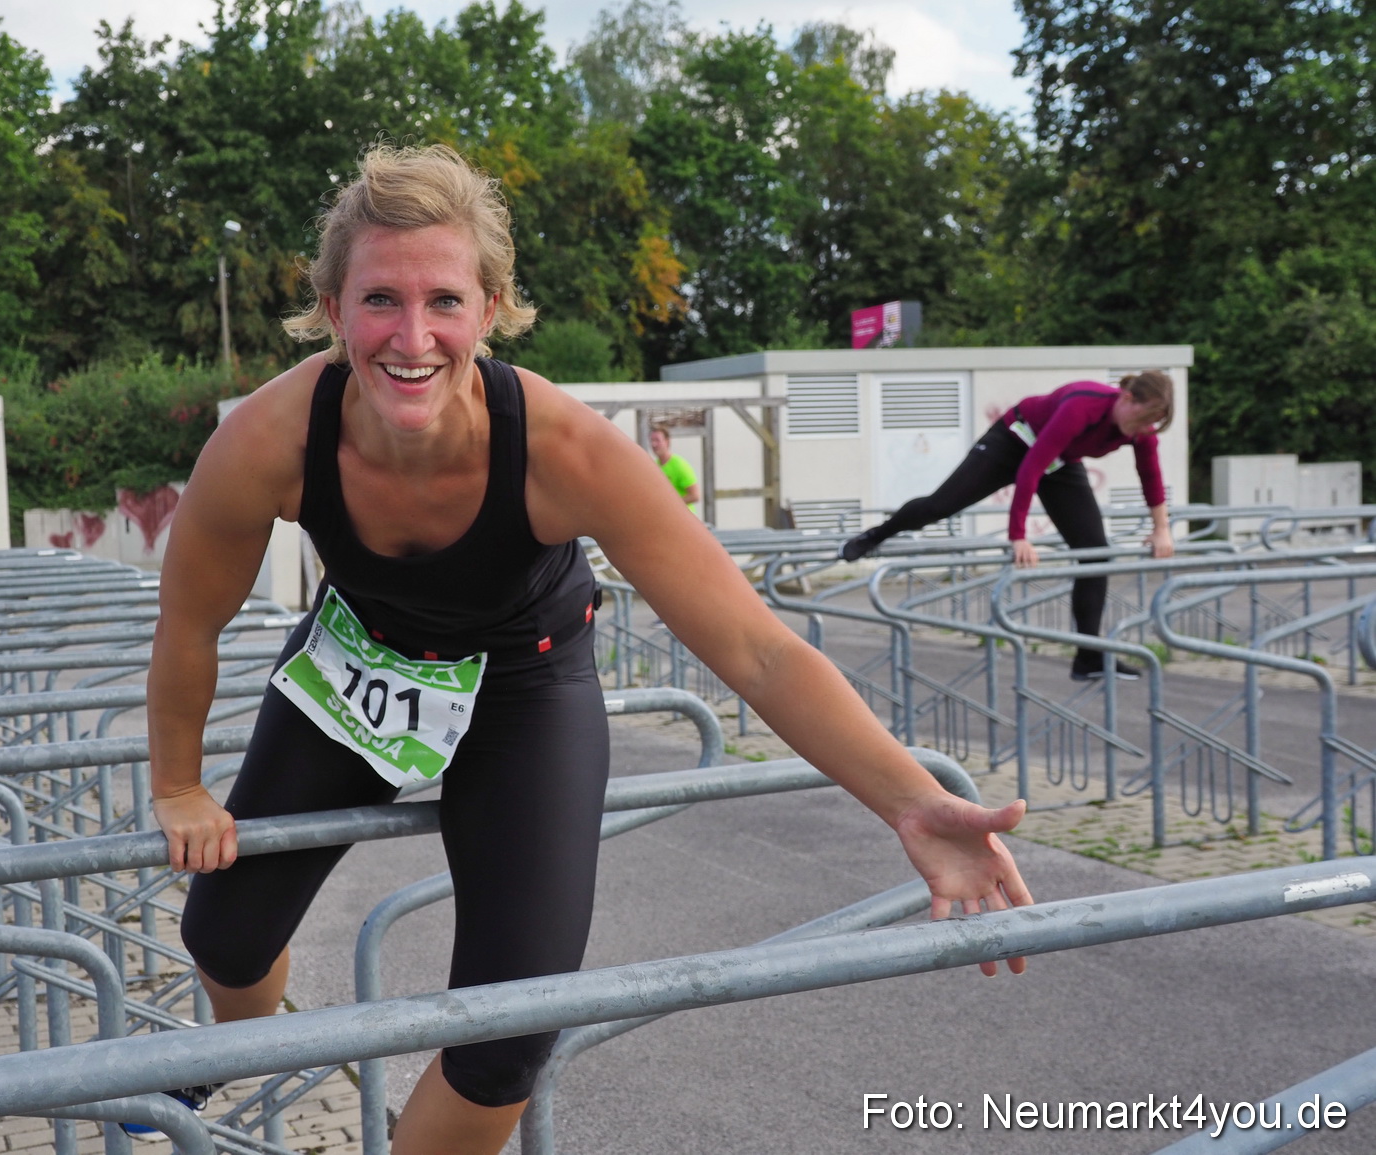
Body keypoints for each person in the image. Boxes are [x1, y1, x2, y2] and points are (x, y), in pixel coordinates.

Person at [147, 143, 1034, 1155]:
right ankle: (240, 1052)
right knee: (221, 932)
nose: (412, 336)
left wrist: (911, 800)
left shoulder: (564, 449)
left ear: (490, 309)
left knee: (509, 1031)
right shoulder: (270, 440)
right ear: (333, 310)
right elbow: (190, 624)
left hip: (522, 684)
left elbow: (758, 651)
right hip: (366, 657)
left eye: (444, 301)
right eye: (380, 299)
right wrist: (178, 786)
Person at [837, 373, 1176, 681]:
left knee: (1096, 553)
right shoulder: (1081, 406)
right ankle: (874, 535)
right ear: (1127, 398)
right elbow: (1031, 468)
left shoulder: (1142, 433)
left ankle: (1088, 656)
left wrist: (1162, 529)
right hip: (1013, 441)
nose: (1142, 429)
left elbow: (1151, 476)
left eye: (1152, 423)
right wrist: (1019, 536)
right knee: (939, 506)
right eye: (1142, 418)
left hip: (1060, 460)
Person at [648, 425, 700, 513]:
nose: (654, 444)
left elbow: (695, 496)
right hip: (665, 517)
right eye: (652, 440)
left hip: (683, 517)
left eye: (657, 440)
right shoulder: (654, 466)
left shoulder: (679, 465)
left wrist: (671, 505)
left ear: (667, 442)